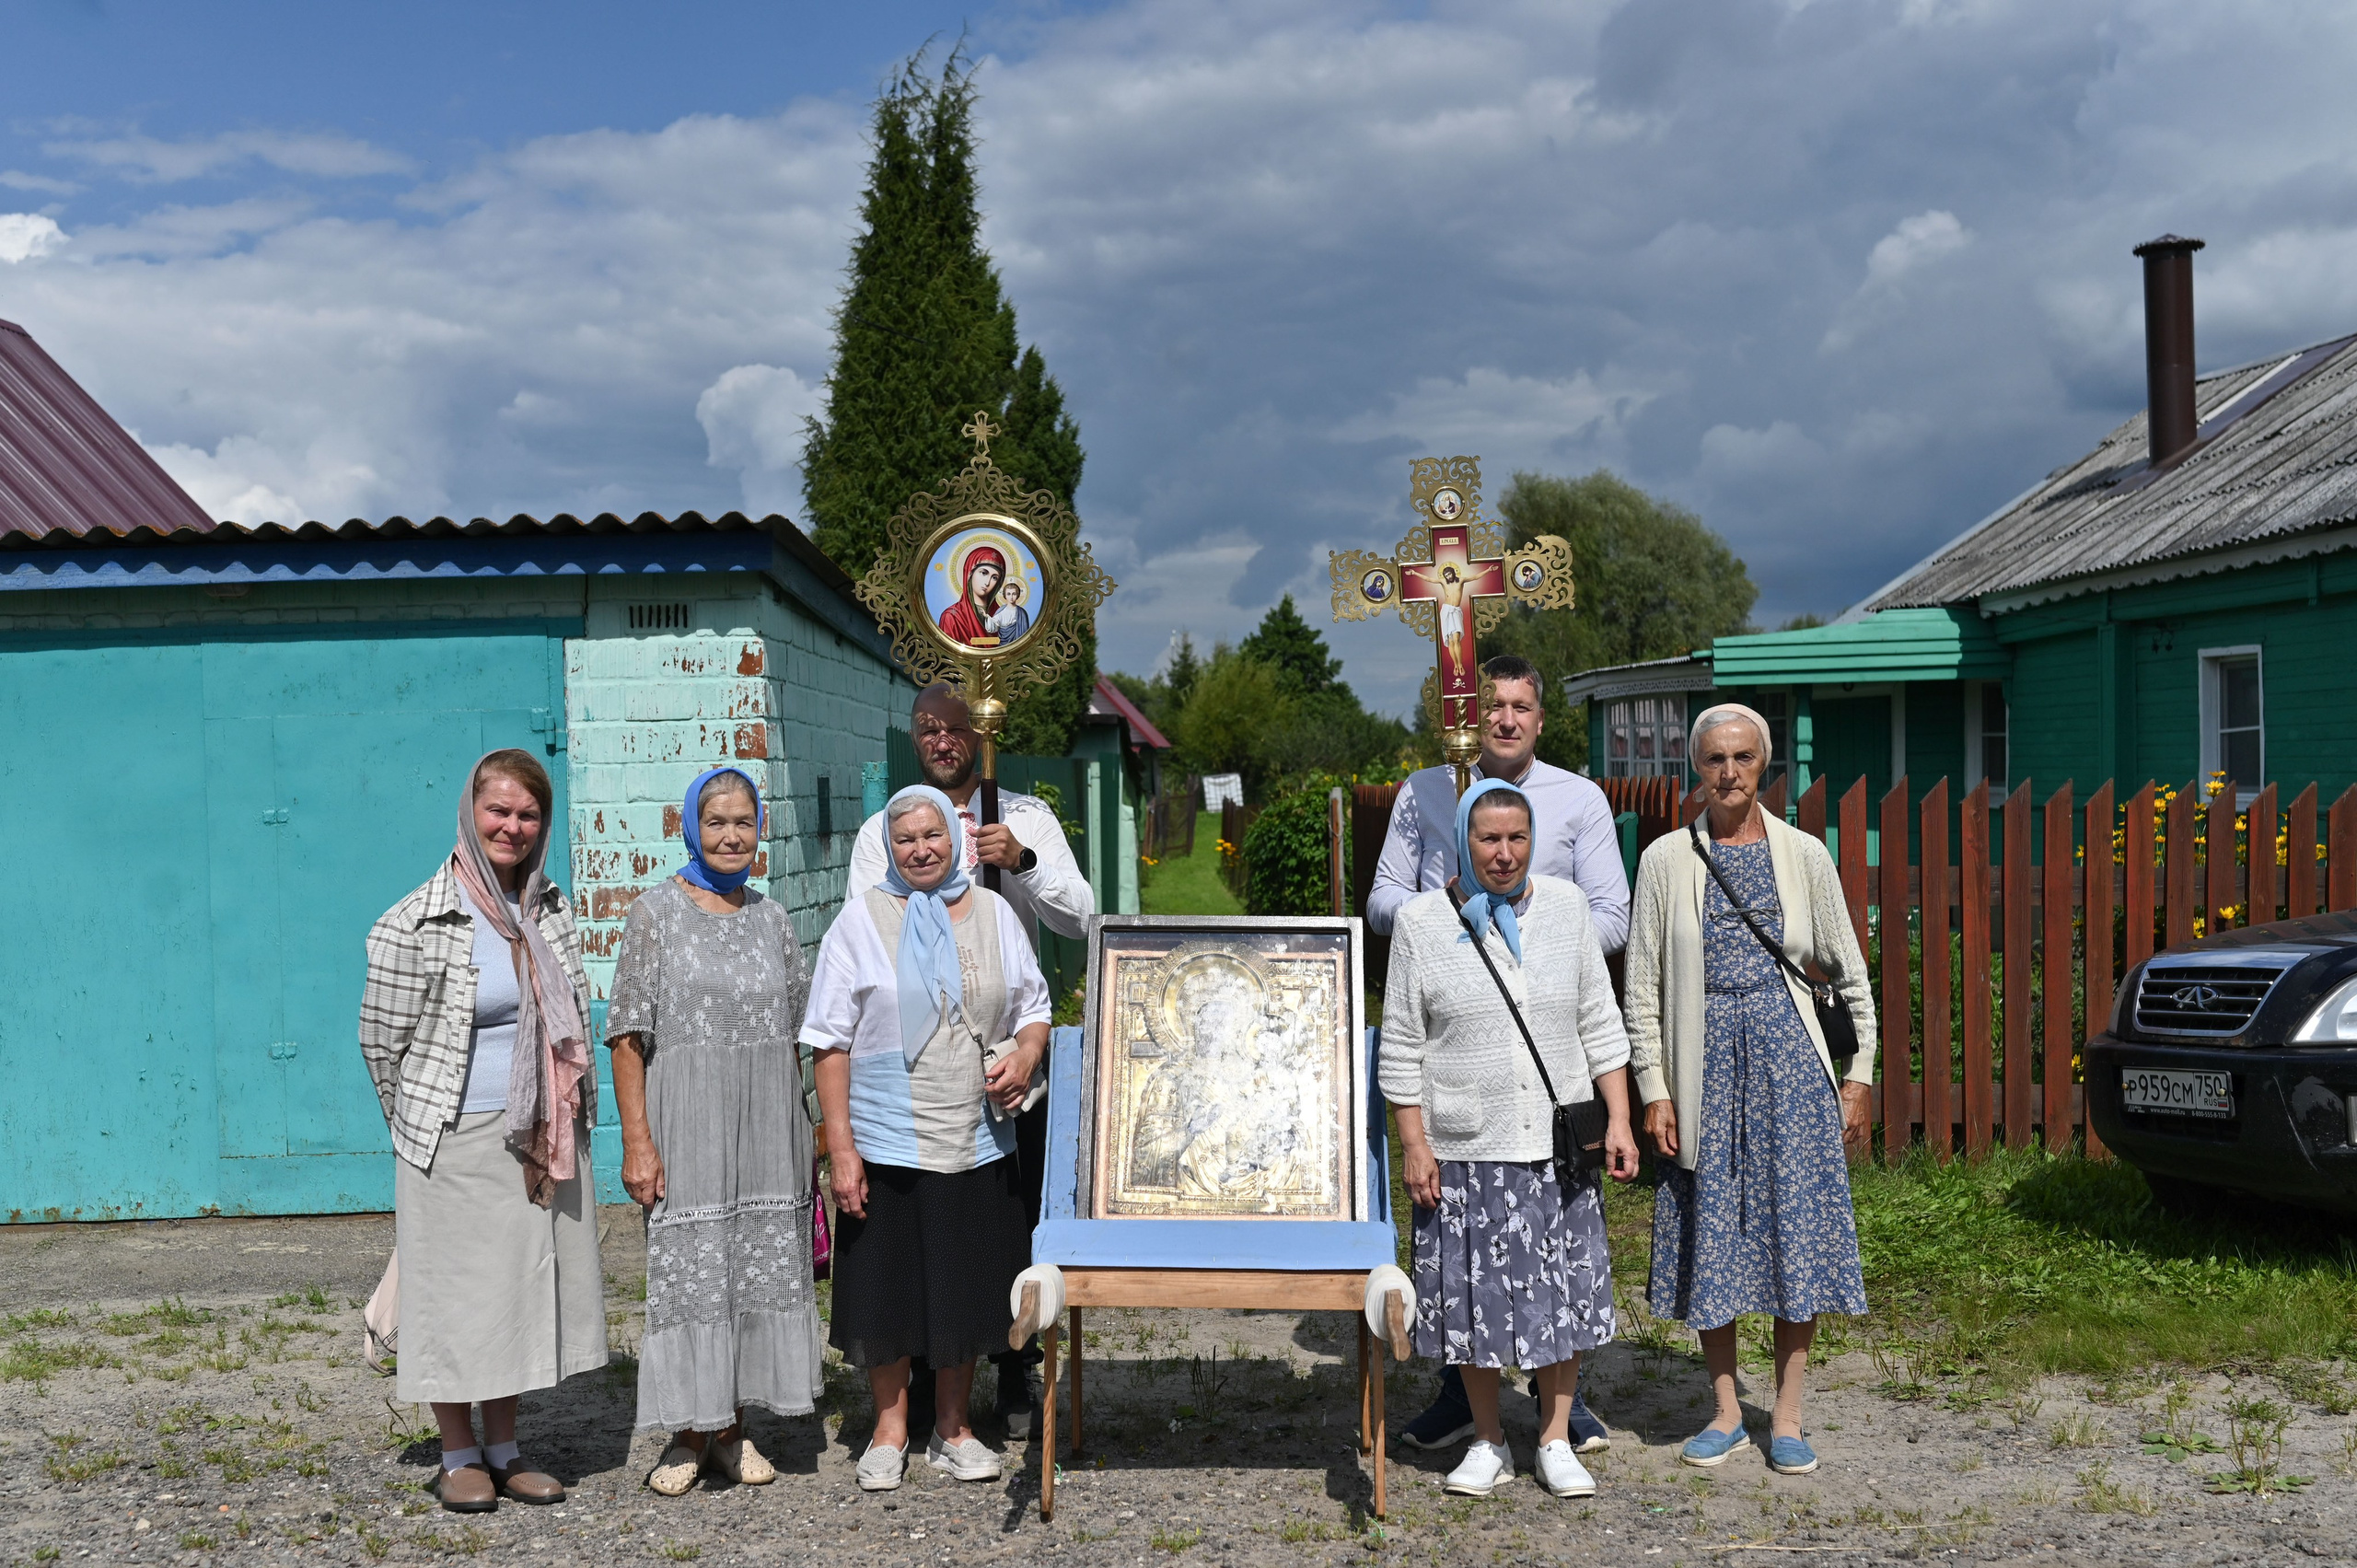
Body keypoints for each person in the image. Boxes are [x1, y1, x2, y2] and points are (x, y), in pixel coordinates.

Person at [1367, 654, 1628, 1454]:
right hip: (1457, 1023)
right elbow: (1382, 898)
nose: (1507, 719)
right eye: (1493, 706)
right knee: (1472, 1260)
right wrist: (1451, 915)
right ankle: (1470, 1407)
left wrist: (1543, 926)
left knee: (1552, 1258)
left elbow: (1611, 916)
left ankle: (1558, 1411)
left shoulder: (1578, 798)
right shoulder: (1425, 792)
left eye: (1521, 705)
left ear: (1539, 717)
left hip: (1545, 1040)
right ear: (1470, 715)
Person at [1623, 703, 1875, 1477]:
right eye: (1713, 759)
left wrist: (1859, 1074)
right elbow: (1641, 989)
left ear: (1764, 766)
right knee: (1715, 1236)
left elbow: (1850, 970)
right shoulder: (1667, 859)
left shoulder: (1803, 854)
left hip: (1792, 1066)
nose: (1728, 772)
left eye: (1741, 757)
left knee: (1795, 1232)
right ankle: (1728, 1411)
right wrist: (1653, 1088)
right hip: (1701, 1067)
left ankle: (1789, 1416)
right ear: (1694, 770)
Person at [358, 749, 605, 1514]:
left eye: (528, 814)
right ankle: (457, 1452)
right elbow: (381, 1044)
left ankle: (505, 1446)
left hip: (540, 1129)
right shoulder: (416, 920)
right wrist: (426, 1124)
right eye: (499, 810)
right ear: (471, 812)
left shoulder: (547, 907)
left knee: (518, 1291)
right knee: (453, 1294)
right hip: (455, 1137)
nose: (514, 826)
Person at [845, 681, 1092, 1436]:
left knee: (1007, 1220)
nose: (943, 741)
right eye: (929, 728)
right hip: (921, 1062)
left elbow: (1082, 918)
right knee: (929, 1221)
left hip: (1009, 1055)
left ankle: (1012, 1367)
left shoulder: (1025, 817)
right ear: (916, 736)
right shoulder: (884, 830)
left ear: (981, 734)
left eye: (956, 729)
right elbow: (867, 933)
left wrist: (1020, 861)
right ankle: (922, 1371)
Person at [804, 785, 1051, 1493]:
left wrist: (1028, 1055)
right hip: (883, 1135)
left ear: (955, 839)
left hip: (974, 1131)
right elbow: (828, 1041)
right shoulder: (859, 920)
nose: (920, 848)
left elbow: (1034, 1007)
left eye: (932, 835)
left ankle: (953, 1427)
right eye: (905, 837)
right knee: (886, 1284)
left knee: (963, 1281)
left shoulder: (997, 913)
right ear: (889, 845)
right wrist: (841, 1147)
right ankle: (887, 1429)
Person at [607, 765, 824, 1496]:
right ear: (690, 828)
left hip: (766, 1124)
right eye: (716, 821)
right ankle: (687, 1434)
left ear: (759, 828)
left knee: (753, 1266)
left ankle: (732, 1429)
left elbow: (798, 1034)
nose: (731, 835)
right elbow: (628, 1036)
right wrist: (638, 1140)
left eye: (743, 821)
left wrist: (809, 1130)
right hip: (687, 1122)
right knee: (694, 1271)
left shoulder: (773, 918)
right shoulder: (654, 914)